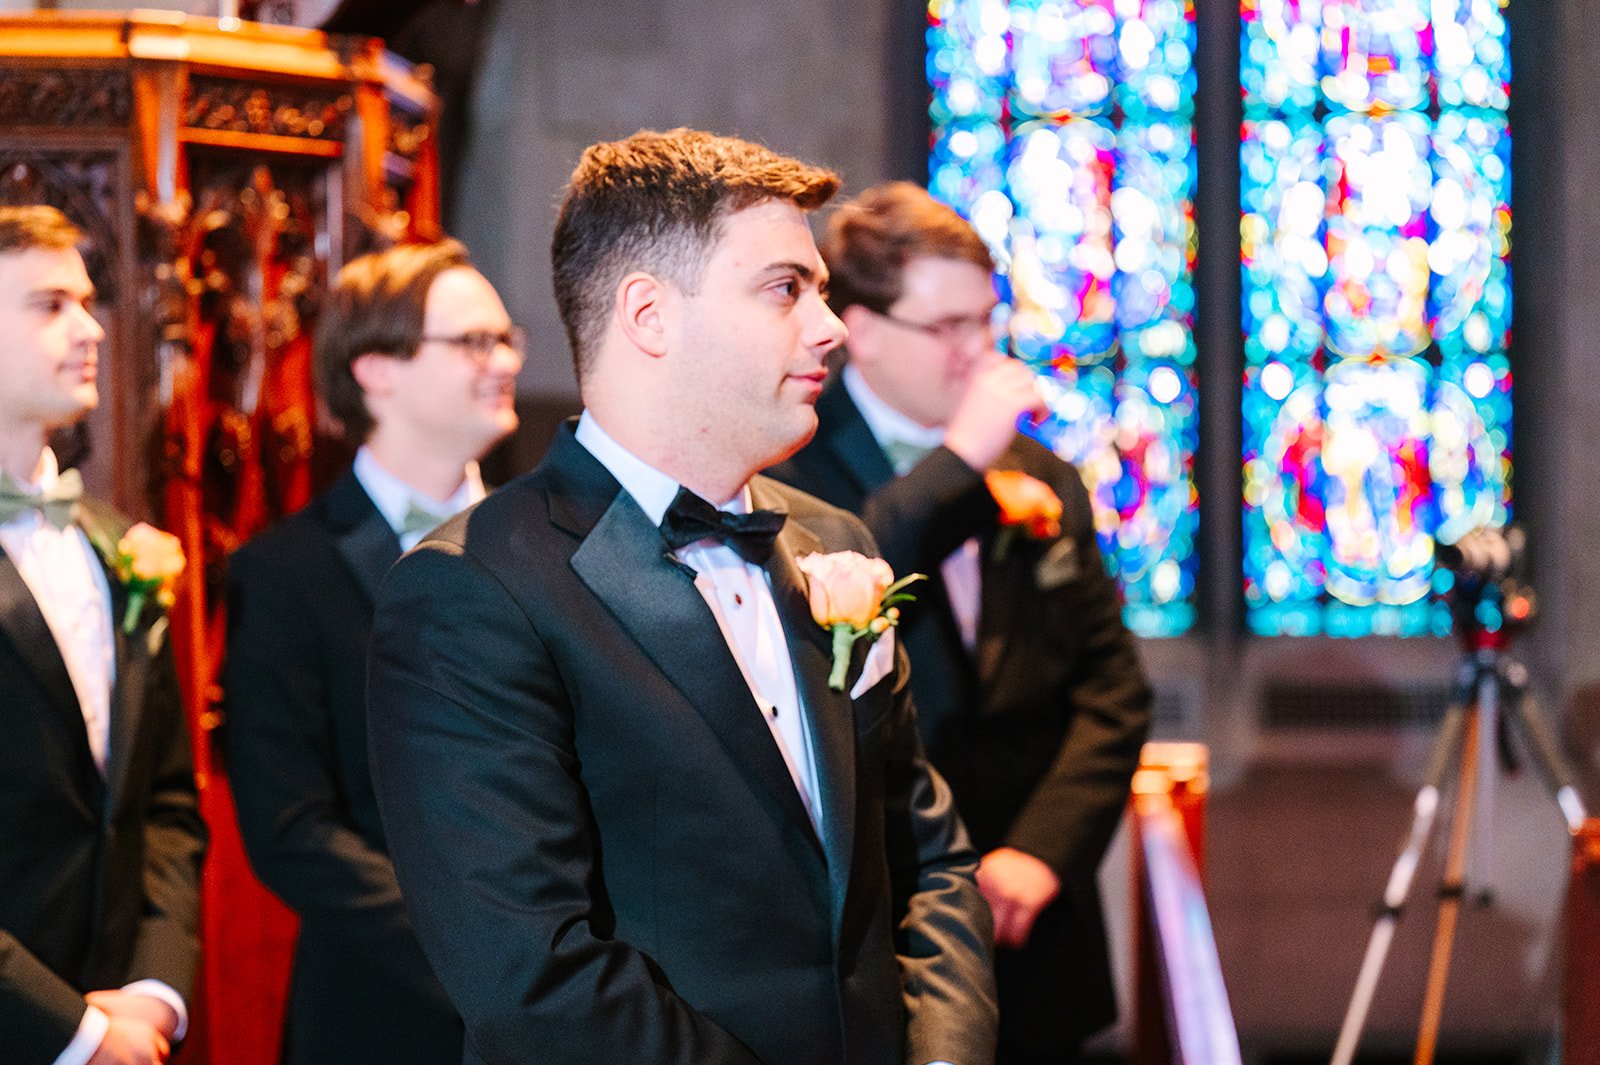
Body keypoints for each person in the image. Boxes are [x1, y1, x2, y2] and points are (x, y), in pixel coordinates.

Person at [366, 129, 997, 1065]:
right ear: (650, 315)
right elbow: (533, 979)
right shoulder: (473, 591)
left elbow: (925, 856)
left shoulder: (834, 541)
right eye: (787, 289)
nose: (829, 327)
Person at [769, 182, 1152, 1065]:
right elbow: (836, 589)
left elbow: (1113, 689)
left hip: (1035, 928)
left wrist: (1041, 853)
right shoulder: (791, 461)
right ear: (860, 328)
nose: (979, 350)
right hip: (881, 914)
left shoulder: (1044, 479)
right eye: (947, 327)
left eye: (986, 319)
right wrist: (956, 464)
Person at [222, 239, 522, 1065]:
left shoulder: (550, 540)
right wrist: (487, 949)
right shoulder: (285, 573)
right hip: (382, 1010)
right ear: (375, 369)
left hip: (573, 1000)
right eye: (472, 342)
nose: (501, 361)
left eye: (507, 340)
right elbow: (292, 826)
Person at [0, 205, 206, 1065]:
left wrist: (152, 997)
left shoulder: (116, 543)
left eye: (87, 301)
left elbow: (161, 803)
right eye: (49, 304)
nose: (90, 327)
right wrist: (73, 1034)